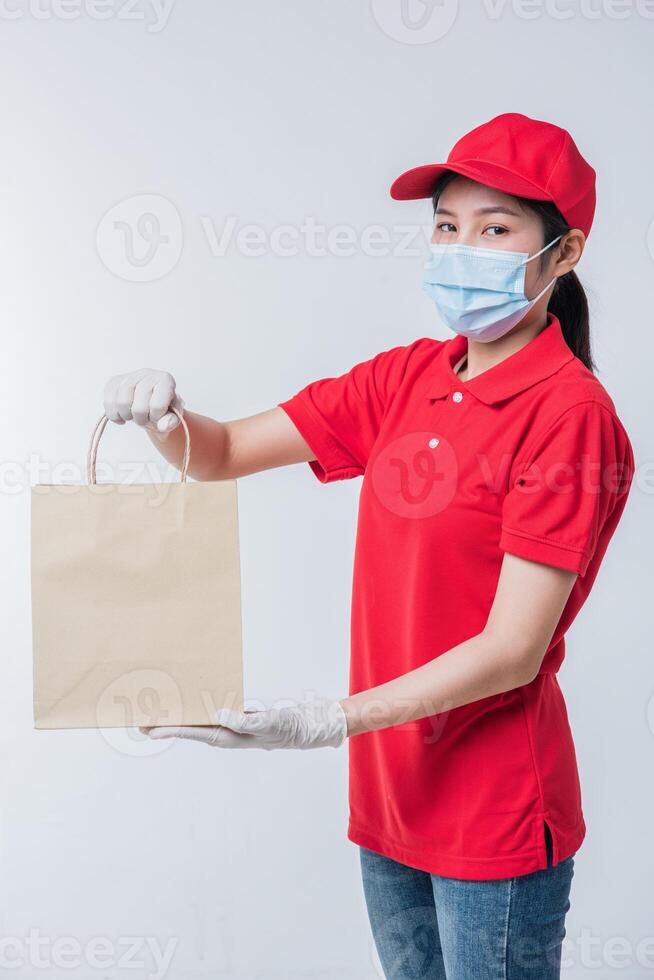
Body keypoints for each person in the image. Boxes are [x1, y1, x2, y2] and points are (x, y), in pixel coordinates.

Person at [102, 112, 635, 979]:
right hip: (390, 793)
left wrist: (328, 721)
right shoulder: (407, 378)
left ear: (564, 253)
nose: (462, 248)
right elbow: (225, 453)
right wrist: (166, 418)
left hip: (492, 810)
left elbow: (511, 650)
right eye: (446, 227)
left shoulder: (569, 416)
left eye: (495, 229)